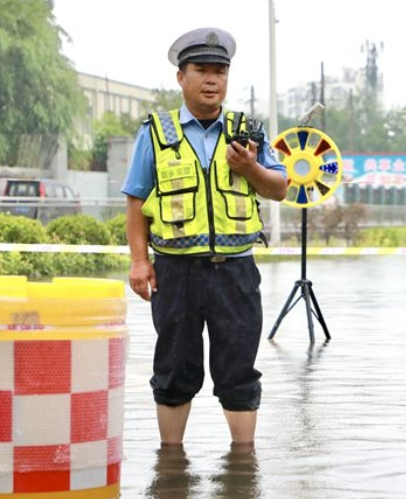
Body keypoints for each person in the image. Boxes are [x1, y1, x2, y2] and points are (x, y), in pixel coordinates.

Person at [122, 27, 287, 446]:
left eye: (221, 71)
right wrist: (140, 262)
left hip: (235, 272)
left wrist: (249, 166)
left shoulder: (247, 132)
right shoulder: (156, 133)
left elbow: (279, 188)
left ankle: (242, 467)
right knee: (175, 368)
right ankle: (171, 465)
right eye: (202, 70)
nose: (212, 80)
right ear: (182, 77)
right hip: (176, 273)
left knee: (238, 371)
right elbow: (136, 201)